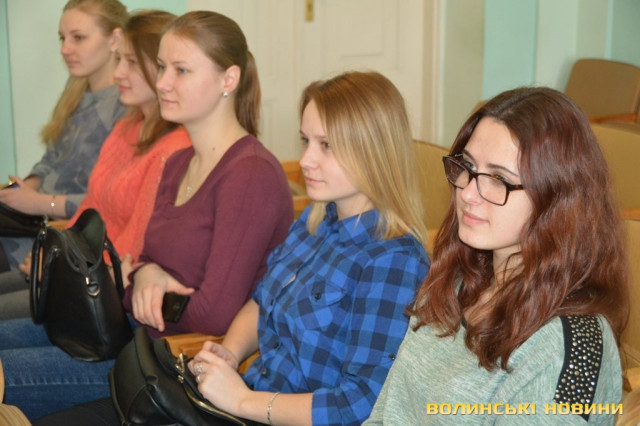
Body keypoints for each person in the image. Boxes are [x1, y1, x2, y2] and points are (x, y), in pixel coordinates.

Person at [0, 9, 294, 421]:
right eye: (161, 67)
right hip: (128, 330)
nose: (163, 83)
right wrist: (148, 275)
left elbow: (216, 313)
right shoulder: (178, 164)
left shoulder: (250, 174)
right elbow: (138, 265)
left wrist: (144, 284)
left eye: (181, 70)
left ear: (228, 80)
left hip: (169, 362)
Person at [364, 87, 629, 425]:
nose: (468, 193)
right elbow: (387, 412)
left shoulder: (574, 348)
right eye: (468, 167)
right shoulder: (458, 278)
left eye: (499, 179)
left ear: (558, 201)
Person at [181, 71, 430, 426]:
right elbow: (262, 301)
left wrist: (243, 401)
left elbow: (362, 402)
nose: (305, 160)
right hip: (251, 403)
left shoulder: (392, 261)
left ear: (373, 150)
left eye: (326, 145)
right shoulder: (315, 223)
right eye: (305, 141)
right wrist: (230, 353)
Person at [0, 9, 191, 320]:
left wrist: (60, 263)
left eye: (130, 62)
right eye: (120, 61)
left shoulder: (171, 148)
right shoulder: (127, 127)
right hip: (79, 266)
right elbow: (90, 206)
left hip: (98, 287)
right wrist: (54, 255)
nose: (119, 74)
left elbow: (134, 245)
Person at [0, 0, 127, 274]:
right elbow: (51, 160)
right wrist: (23, 190)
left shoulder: (125, 106)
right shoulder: (76, 90)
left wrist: (38, 203)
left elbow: (111, 202)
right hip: (35, 220)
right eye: (62, 38)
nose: (65, 49)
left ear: (115, 40)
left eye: (78, 38)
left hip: (64, 234)